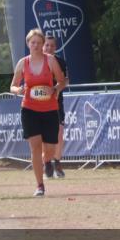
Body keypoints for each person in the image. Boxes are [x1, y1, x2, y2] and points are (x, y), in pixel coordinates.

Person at [10, 28, 66, 197]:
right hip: (29, 109)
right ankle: (39, 185)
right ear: (28, 44)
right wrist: (18, 90)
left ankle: (47, 160)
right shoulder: (22, 63)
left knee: (49, 149)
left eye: (38, 43)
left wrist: (55, 90)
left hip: (49, 109)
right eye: (32, 42)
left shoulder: (50, 61)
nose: (35, 45)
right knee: (34, 146)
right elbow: (12, 86)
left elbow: (62, 81)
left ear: (43, 45)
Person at [42, 34, 69, 179]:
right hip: (38, 104)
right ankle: (46, 165)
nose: (49, 48)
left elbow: (65, 80)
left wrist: (57, 89)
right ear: (42, 46)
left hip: (57, 104)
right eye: (47, 45)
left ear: (56, 47)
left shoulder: (60, 62)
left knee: (59, 134)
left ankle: (57, 163)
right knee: (43, 137)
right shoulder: (35, 62)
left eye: (52, 45)